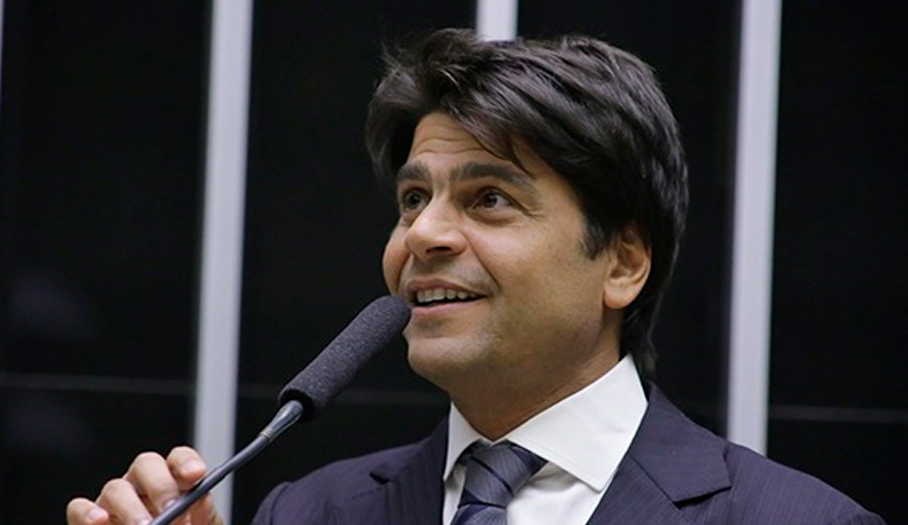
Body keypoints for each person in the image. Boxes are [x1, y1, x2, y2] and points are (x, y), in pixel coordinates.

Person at [67, 28, 884, 525]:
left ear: (623, 262)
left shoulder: (799, 518)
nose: (422, 234)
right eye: (412, 198)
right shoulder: (308, 510)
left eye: (489, 198)